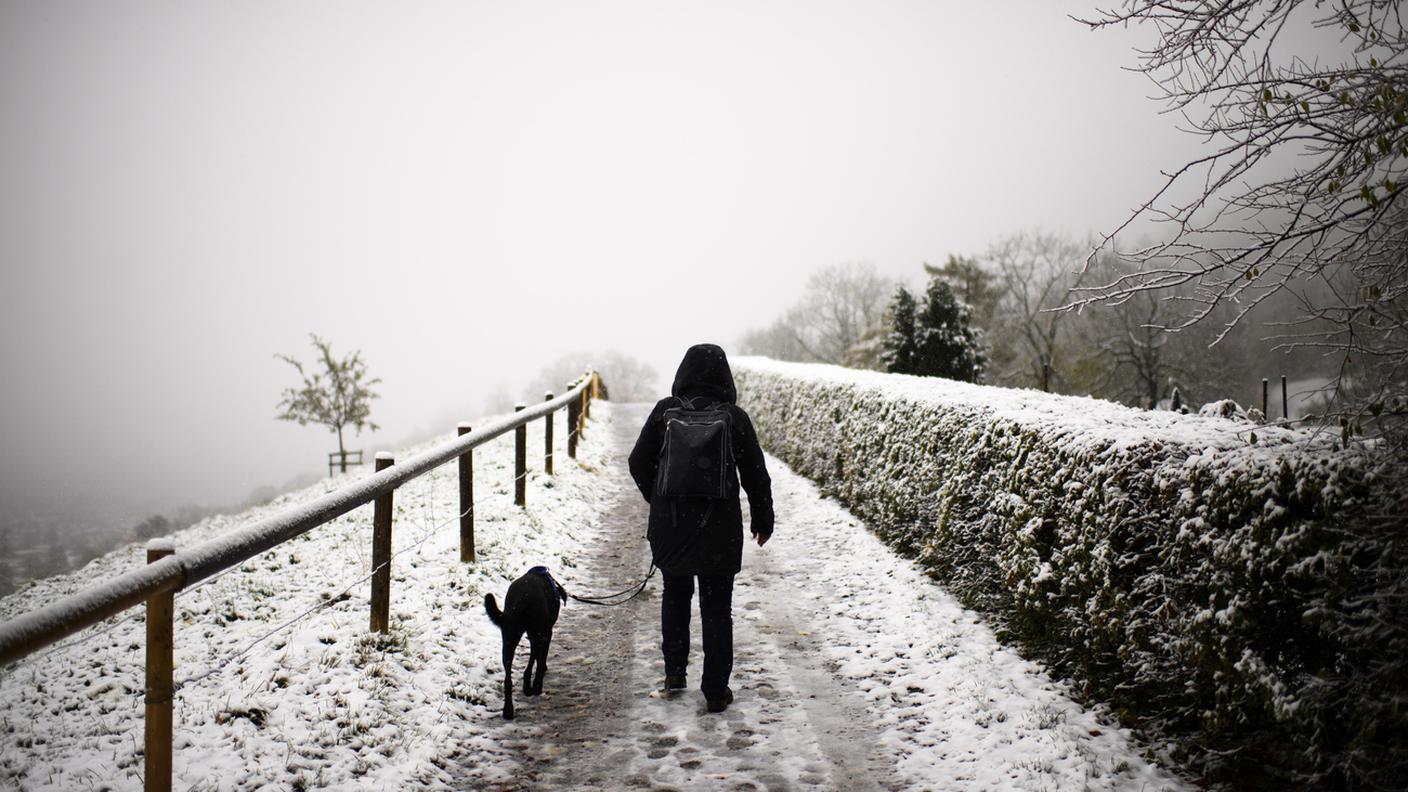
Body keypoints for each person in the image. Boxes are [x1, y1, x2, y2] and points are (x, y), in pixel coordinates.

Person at [628, 343, 774, 713]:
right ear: (725, 379)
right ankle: (715, 690)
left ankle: (675, 673)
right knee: (716, 608)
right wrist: (763, 519)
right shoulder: (734, 417)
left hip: (672, 526)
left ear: (682, 375)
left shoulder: (665, 412)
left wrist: (658, 499)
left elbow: (637, 462)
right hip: (719, 529)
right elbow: (756, 475)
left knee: (675, 597)